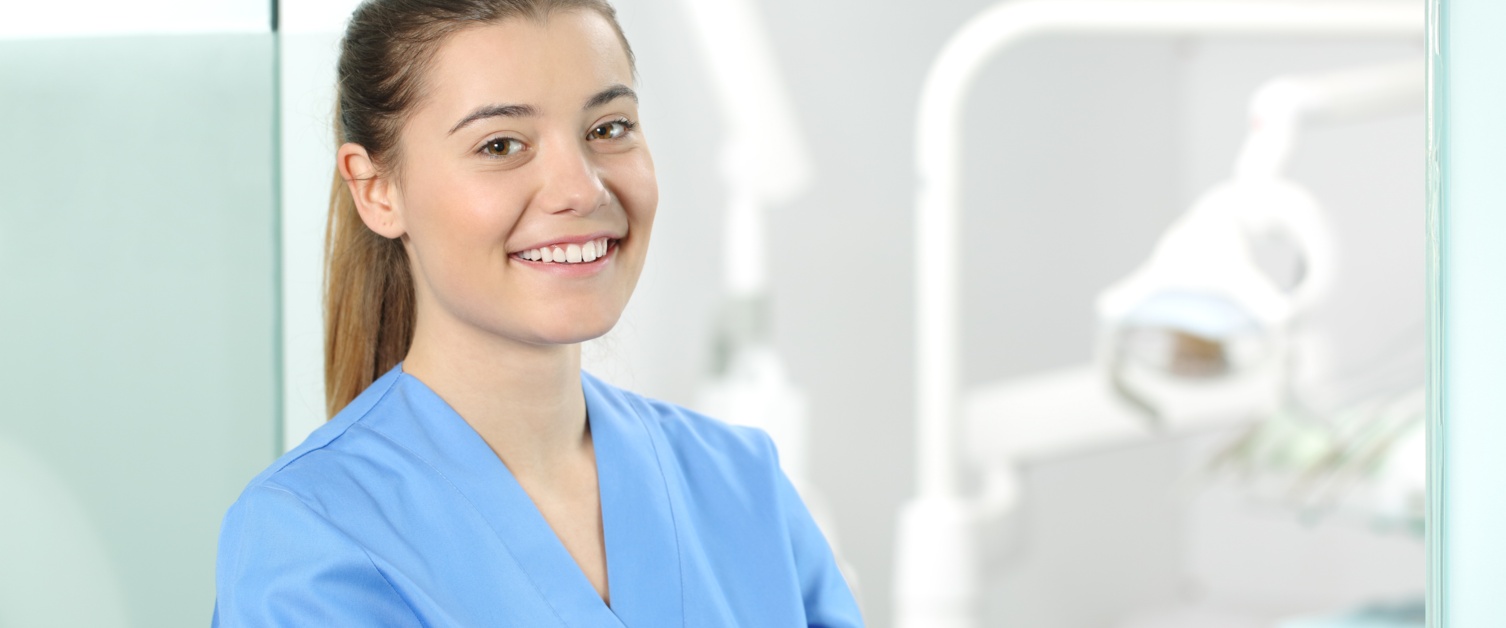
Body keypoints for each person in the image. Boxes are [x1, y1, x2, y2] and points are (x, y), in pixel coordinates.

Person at [211, 0, 863, 625]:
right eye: (501, 145)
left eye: (608, 129)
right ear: (378, 190)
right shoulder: (312, 537)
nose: (582, 188)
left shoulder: (744, 488)